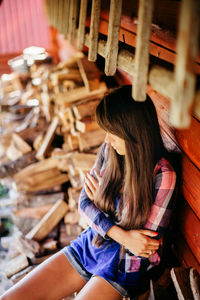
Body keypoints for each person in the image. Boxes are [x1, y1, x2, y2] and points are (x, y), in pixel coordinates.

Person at [1, 85, 176, 300]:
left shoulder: (163, 175)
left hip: (125, 266)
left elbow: (142, 247)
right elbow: (84, 203)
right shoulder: (109, 150)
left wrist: (104, 204)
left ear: (133, 130)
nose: (107, 139)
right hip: (92, 244)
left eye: (113, 132)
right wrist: (120, 232)